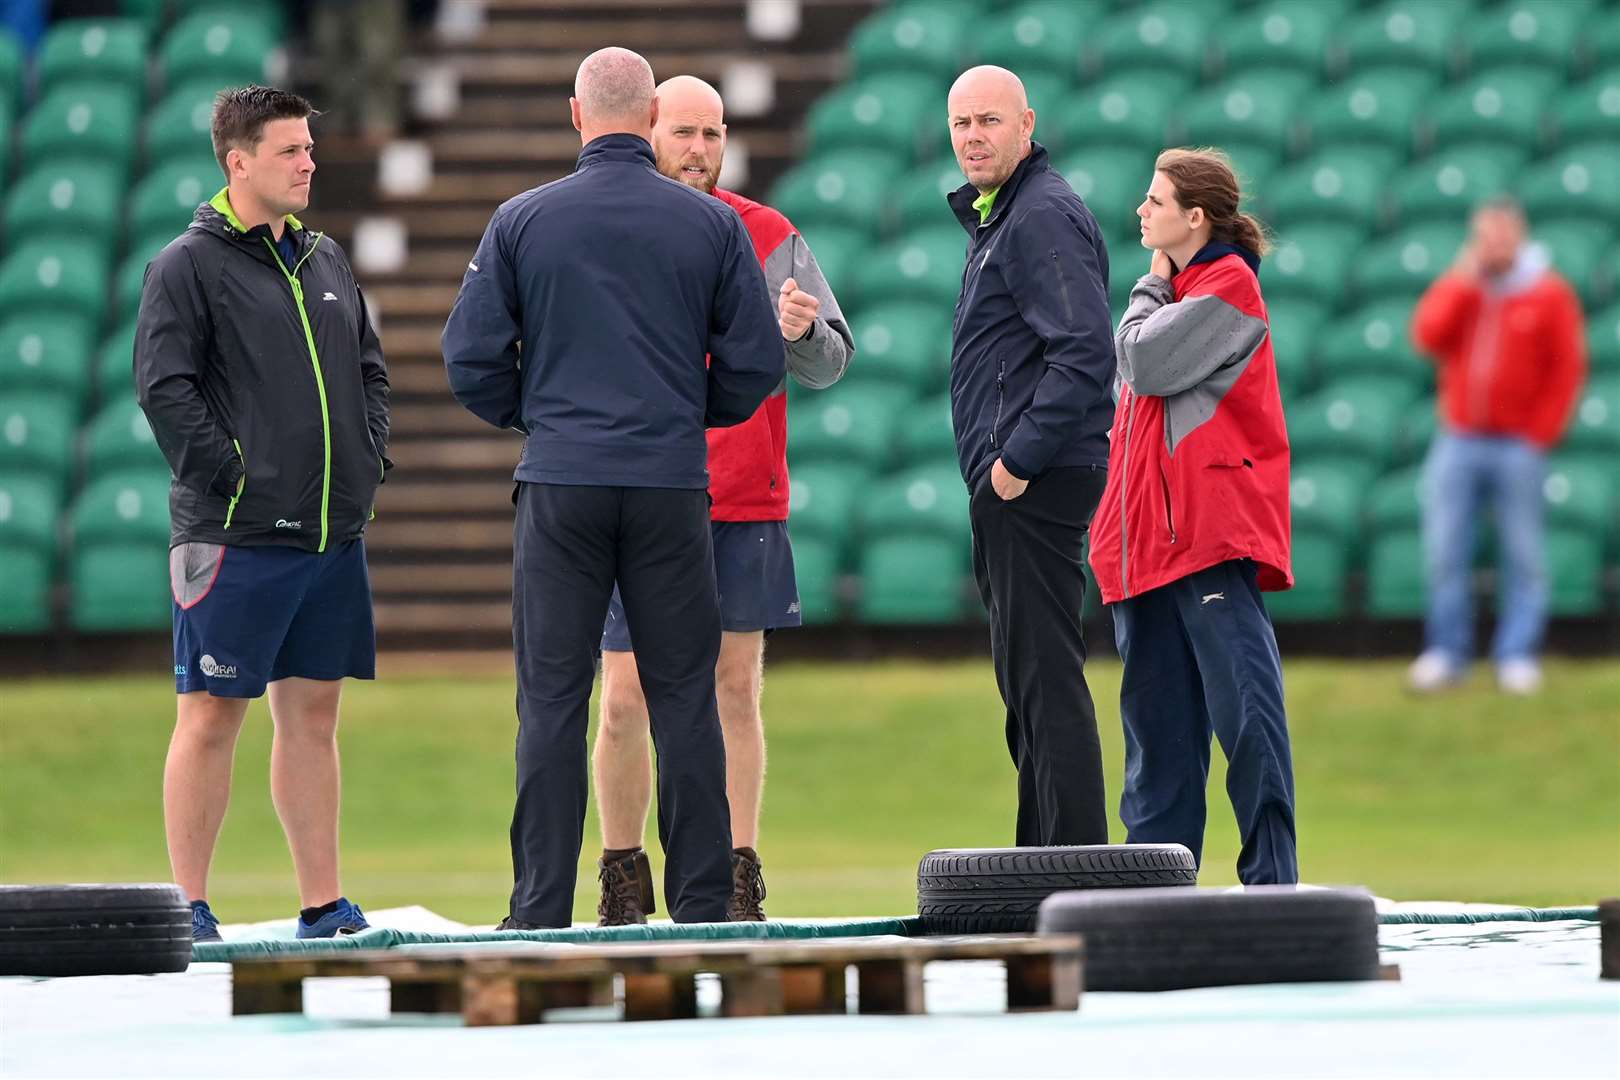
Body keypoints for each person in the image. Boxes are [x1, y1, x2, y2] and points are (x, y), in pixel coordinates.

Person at [441, 48, 784, 929]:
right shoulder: (709, 225)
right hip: (670, 483)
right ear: (650, 118)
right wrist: (680, 409)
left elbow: (468, 360)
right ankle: (705, 902)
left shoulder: (521, 220)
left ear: (578, 115)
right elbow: (754, 364)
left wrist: (544, 416)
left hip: (562, 484)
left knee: (553, 700)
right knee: (686, 698)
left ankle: (540, 908)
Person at [590, 76, 854, 925]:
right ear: (648, 132)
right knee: (625, 696)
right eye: (684, 132)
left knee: (733, 689)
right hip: (635, 492)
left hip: (742, 498)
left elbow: (831, 362)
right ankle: (622, 877)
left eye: (713, 133)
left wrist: (803, 332)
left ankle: (738, 874)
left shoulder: (770, 234)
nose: (700, 149)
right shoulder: (610, 229)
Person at [134, 86, 389, 942]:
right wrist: (236, 480)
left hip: (328, 537)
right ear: (238, 162)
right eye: (290, 151)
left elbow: (369, 369)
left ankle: (322, 904)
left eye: (309, 148)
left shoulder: (325, 259)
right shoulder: (185, 266)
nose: (309, 162)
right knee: (209, 716)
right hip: (234, 535)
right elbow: (164, 391)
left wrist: (366, 461)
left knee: (314, 717)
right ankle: (188, 908)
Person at [1088, 147, 1297, 885]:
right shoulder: (1189, 292)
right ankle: (1153, 892)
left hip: (1204, 540)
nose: (1141, 212)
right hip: (1145, 551)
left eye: (1155, 200)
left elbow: (1141, 362)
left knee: (1245, 717)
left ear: (1195, 217)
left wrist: (1149, 284)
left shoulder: (1229, 287)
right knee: (1157, 741)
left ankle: (1273, 884)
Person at [944, 66, 1117, 847]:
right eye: (961, 124)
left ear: (1026, 124)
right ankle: (1041, 856)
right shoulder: (1003, 216)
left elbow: (1083, 350)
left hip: (1034, 479)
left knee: (1044, 677)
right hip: (1017, 479)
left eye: (988, 121)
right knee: (1027, 679)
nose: (973, 136)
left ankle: (1071, 862)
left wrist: (1014, 462)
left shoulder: (1040, 213)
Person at [1407, 198, 1587, 696]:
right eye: (1487, 238)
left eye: (1504, 238)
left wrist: (1540, 434)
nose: (1496, 248)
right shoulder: (1467, 287)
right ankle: (1447, 652)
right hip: (1460, 437)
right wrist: (1464, 280)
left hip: (1517, 446)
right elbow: (1428, 334)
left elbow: (1566, 368)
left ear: (1521, 238)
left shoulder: (1548, 294)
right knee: (1445, 549)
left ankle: (1516, 654)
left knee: (1523, 553)